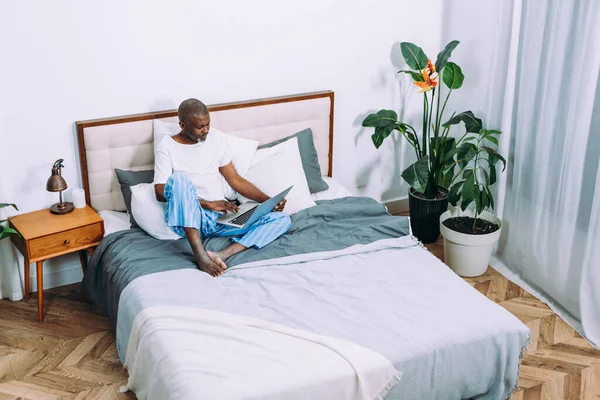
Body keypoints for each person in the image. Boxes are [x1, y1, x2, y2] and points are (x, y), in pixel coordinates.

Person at [153, 98, 291, 277]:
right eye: (200, 127)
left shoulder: (216, 140)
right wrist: (208, 204)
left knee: (281, 220)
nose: (206, 130)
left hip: (221, 218)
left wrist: (269, 201)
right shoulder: (167, 146)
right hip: (193, 218)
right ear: (182, 125)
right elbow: (159, 192)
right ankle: (200, 254)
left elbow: (235, 180)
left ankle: (222, 254)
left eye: (208, 124)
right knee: (179, 180)